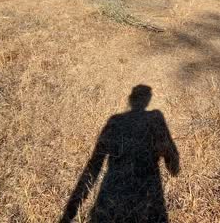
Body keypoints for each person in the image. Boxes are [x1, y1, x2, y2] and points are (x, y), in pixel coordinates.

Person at [60, 85, 180, 223]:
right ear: (148, 99)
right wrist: (173, 167)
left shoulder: (115, 120)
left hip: (113, 194)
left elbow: (95, 162)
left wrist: (69, 212)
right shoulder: (155, 117)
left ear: (130, 99)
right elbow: (168, 150)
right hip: (148, 194)